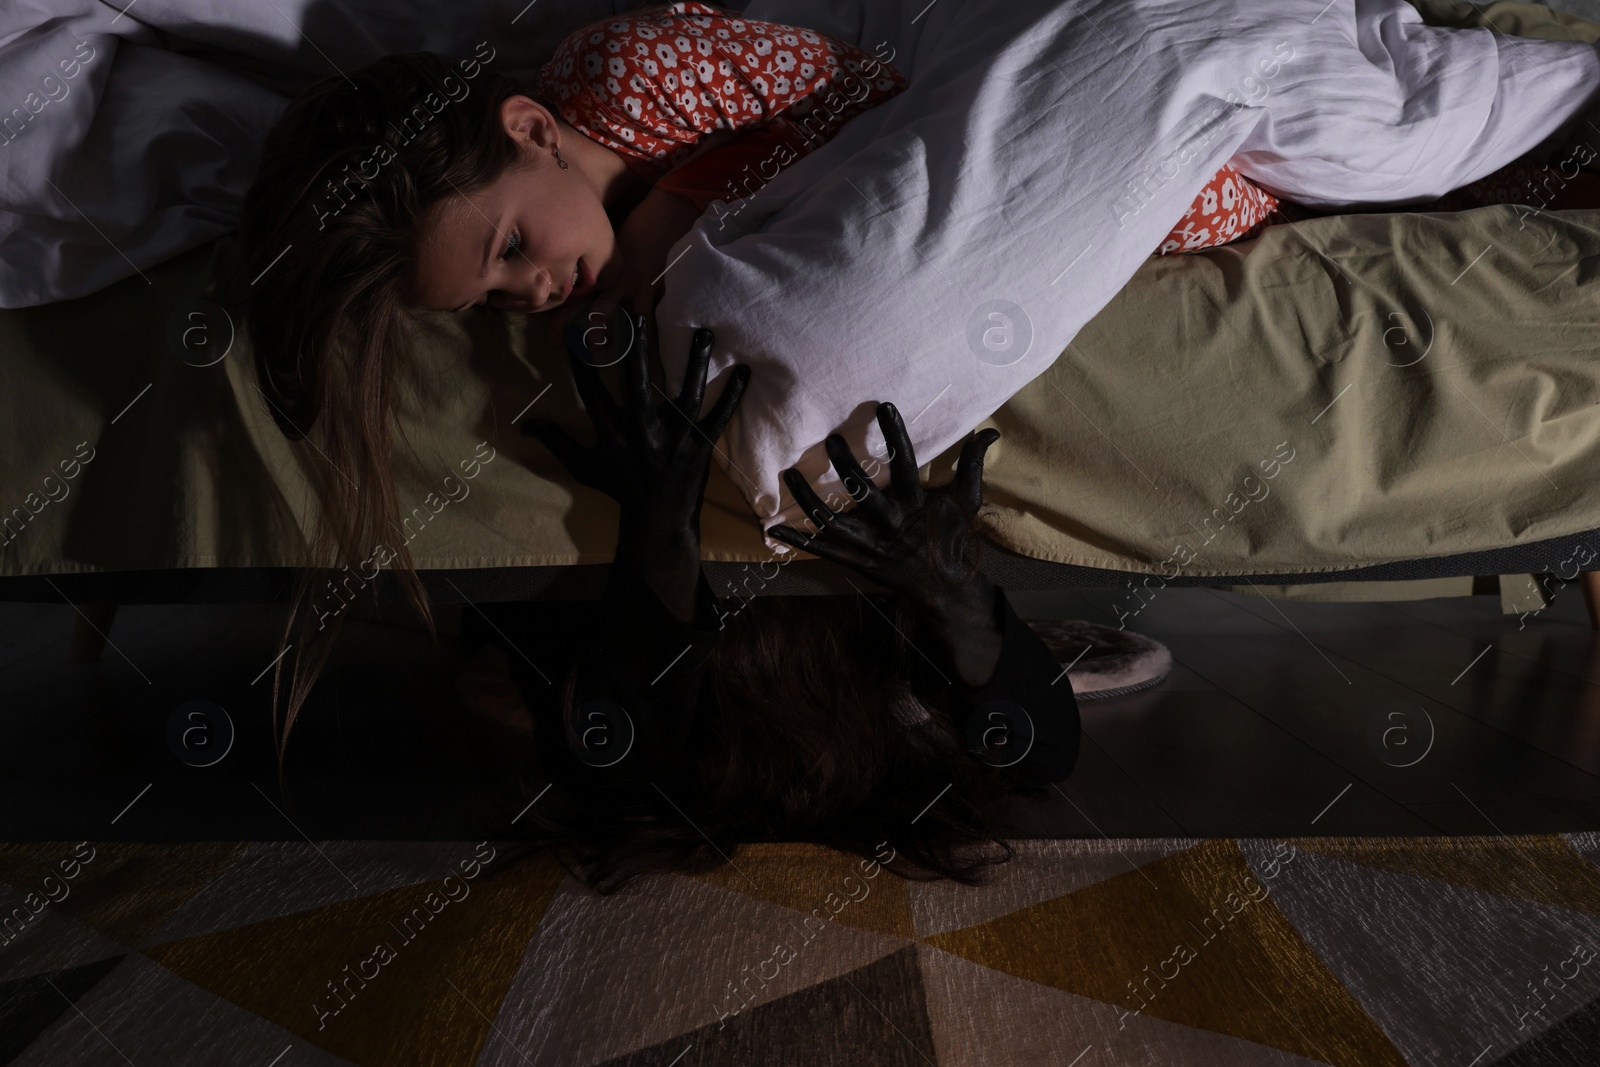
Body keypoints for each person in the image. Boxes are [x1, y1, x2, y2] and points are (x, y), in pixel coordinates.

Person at [456, 307, 1080, 893]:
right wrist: (953, 591)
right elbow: (1045, 752)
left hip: (612, 661)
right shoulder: (891, 704)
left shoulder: (632, 750)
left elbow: (617, 751)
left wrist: (660, 522)